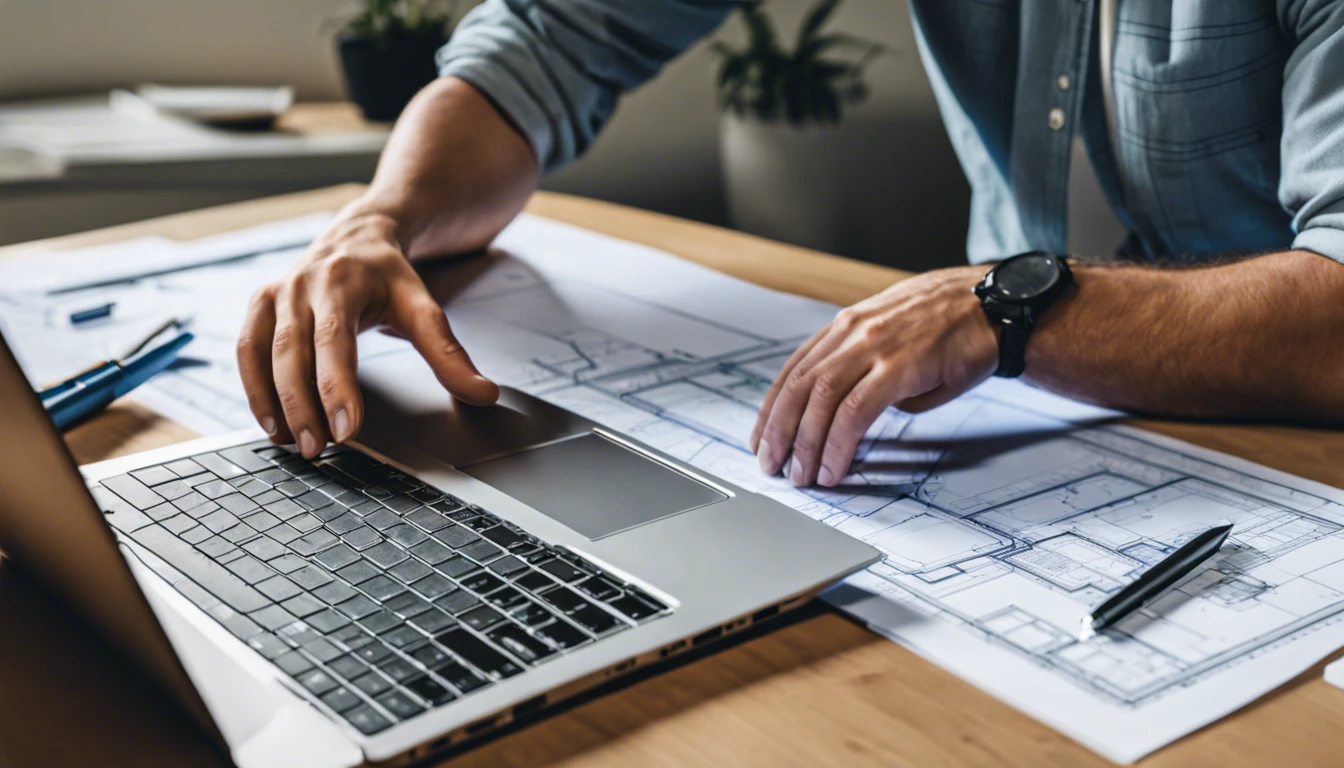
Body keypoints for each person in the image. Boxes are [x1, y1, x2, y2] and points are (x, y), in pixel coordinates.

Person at [237, 0, 1344, 491]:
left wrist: (1011, 306)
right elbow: (549, 41)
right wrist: (380, 220)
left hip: (1289, 462)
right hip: (1014, 429)